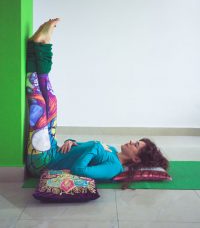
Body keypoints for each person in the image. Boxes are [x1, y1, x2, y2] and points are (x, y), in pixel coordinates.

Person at [26, 19, 169, 181]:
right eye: (136, 141)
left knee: (39, 104)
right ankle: (41, 45)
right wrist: (71, 141)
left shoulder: (113, 167)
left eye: (136, 145)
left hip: (43, 162)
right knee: (52, 100)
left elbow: (80, 170)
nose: (131, 141)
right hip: (53, 149)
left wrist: (94, 148)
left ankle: (34, 49)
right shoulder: (113, 150)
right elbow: (79, 151)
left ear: (136, 159)